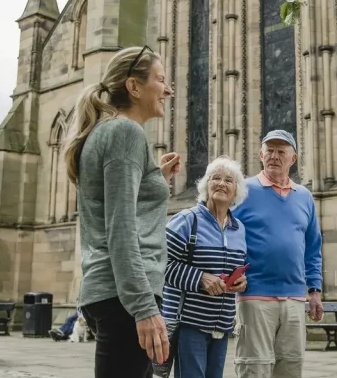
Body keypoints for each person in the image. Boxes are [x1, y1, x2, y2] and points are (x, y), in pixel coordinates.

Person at [64, 44, 181, 378]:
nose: (168, 89)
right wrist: (143, 306)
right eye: (160, 79)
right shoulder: (125, 132)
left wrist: (153, 178)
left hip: (115, 293)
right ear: (133, 86)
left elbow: (115, 207)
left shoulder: (109, 133)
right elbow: (120, 227)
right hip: (125, 295)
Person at [233, 129, 323, 378]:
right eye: (269, 151)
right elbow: (225, 235)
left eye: (281, 151)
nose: (274, 156)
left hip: (294, 298)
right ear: (261, 155)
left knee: (291, 368)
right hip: (254, 296)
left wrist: (314, 290)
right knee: (254, 368)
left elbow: (313, 247)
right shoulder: (243, 191)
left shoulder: (304, 196)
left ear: (292, 158)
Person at [162, 156, 249, 378]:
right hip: (189, 323)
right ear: (205, 185)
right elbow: (159, 264)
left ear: (236, 190)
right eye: (215, 178)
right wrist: (200, 278)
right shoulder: (186, 220)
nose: (221, 183)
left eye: (229, 180)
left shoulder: (238, 229)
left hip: (221, 324)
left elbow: (234, 269)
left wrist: (240, 282)